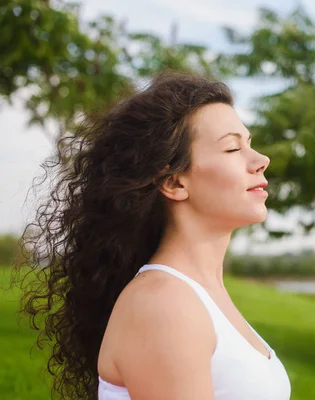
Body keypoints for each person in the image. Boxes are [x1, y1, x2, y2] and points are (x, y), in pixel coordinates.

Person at [17, 71, 292, 400]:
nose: (261, 160)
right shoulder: (164, 305)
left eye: (249, 143)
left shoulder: (196, 295)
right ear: (175, 183)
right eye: (233, 148)